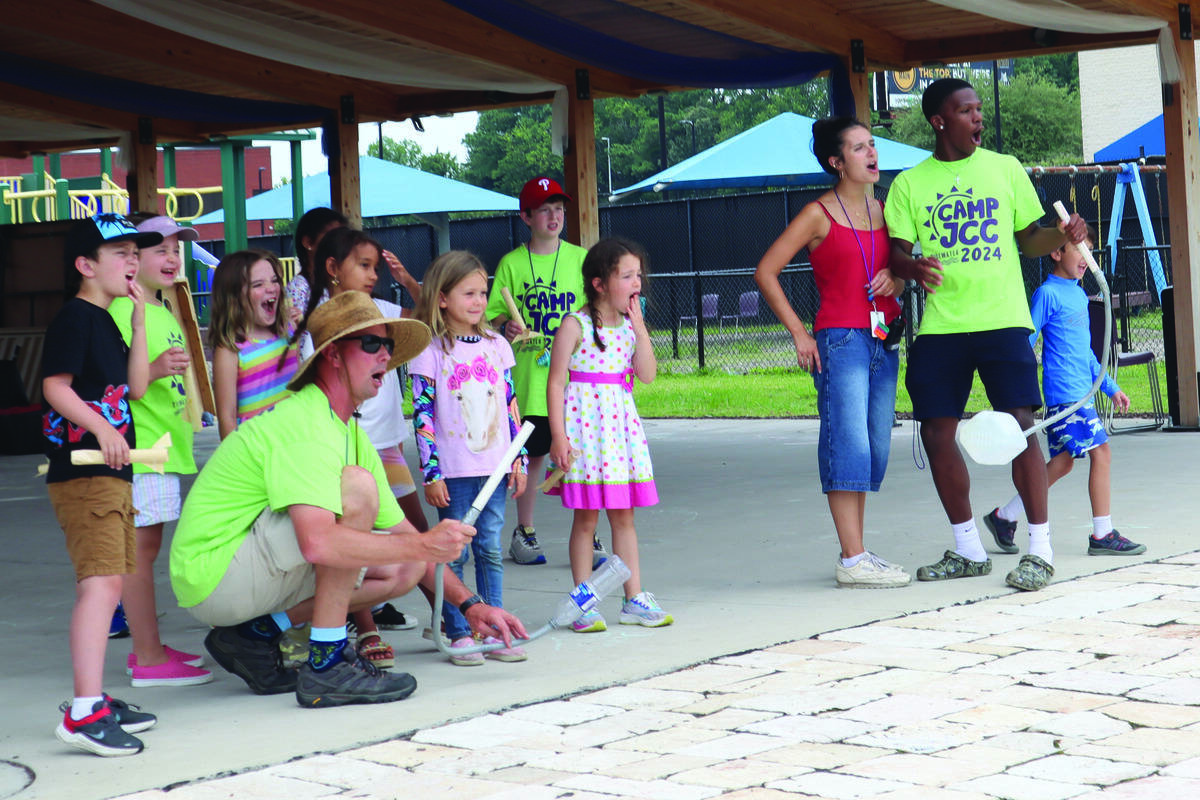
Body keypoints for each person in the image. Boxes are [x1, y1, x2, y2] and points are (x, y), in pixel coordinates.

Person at [169, 291, 528, 707]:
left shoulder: (350, 432)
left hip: (240, 576)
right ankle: (326, 663)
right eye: (372, 344)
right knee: (358, 491)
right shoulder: (304, 420)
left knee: (405, 568)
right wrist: (424, 544)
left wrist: (471, 606)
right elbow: (318, 544)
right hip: (211, 574)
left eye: (389, 347)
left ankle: (255, 635)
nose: (384, 357)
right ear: (334, 356)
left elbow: (408, 539)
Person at [884, 77, 1088, 592]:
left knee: (1020, 428)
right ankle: (968, 548)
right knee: (936, 432)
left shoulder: (1005, 168)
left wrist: (1062, 236)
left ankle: (1039, 551)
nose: (978, 118)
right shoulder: (911, 183)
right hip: (943, 327)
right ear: (939, 121)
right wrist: (913, 268)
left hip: (1002, 320)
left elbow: (1030, 240)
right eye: (966, 111)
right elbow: (895, 255)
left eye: (979, 109)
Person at [755, 117, 910, 589]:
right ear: (836, 162)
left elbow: (902, 269)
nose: (872, 154)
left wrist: (897, 279)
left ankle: (857, 553)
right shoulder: (818, 213)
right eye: (860, 148)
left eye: (873, 145)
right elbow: (766, 270)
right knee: (850, 443)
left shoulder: (886, 210)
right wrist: (800, 334)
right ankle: (853, 555)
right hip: (840, 340)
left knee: (876, 449)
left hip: (883, 338)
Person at [44, 213, 161, 756]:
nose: (132, 260)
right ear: (85, 265)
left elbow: (135, 387)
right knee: (101, 584)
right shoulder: (74, 317)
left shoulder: (109, 319)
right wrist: (99, 426)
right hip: (84, 472)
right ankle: (85, 710)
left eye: (134, 252)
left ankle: (93, 700)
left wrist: (139, 321)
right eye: (119, 253)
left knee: (109, 581)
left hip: (109, 473)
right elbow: (54, 387)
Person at [294, 228, 429, 668]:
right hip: (346, 446)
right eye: (363, 265)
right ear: (332, 270)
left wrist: (408, 280)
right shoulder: (317, 322)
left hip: (386, 444)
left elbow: (432, 312)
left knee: (413, 528)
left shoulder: (385, 309)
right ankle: (363, 628)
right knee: (354, 538)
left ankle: (453, 611)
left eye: (387, 346)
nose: (373, 275)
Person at [985, 226, 1146, 557]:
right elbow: (1027, 339)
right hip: (1065, 398)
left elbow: (1086, 352)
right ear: (1057, 253)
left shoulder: (1078, 295)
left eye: (1089, 251)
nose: (1087, 259)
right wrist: (1011, 380)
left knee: (1061, 463)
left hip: (1079, 395)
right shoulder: (1048, 294)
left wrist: (1110, 387)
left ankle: (1005, 517)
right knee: (1102, 453)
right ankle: (1102, 534)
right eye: (1080, 250)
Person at [107, 215, 212, 688]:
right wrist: (153, 367)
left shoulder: (162, 309)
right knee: (138, 554)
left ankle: (149, 647)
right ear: (132, 261)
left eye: (176, 249)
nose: (172, 259)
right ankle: (147, 658)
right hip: (141, 450)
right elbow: (117, 386)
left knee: (144, 551)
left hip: (163, 450)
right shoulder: (122, 312)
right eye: (160, 250)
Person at [410, 251, 529, 665]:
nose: (479, 302)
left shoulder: (498, 345)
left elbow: (511, 404)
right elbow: (422, 413)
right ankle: (459, 629)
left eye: (483, 293)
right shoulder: (431, 348)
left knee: (491, 549)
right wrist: (431, 472)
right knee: (455, 552)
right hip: (456, 471)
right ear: (442, 298)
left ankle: (494, 626)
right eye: (468, 293)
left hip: (495, 469)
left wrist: (520, 459)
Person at [547, 238, 671, 632]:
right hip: (585, 433)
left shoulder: (631, 328)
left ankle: (633, 598)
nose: (638, 283)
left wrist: (639, 326)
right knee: (585, 520)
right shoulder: (575, 324)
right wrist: (558, 437)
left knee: (624, 517)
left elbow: (648, 375)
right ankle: (583, 602)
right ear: (600, 283)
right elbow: (555, 383)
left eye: (639, 275)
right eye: (627, 276)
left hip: (619, 434)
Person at [486, 177, 601, 567]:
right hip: (530, 379)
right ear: (526, 216)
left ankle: (590, 531)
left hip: (573, 379)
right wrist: (506, 325)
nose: (554, 216)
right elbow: (488, 318)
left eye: (559, 208)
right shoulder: (512, 264)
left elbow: (595, 312)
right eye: (545, 209)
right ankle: (525, 531)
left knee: (578, 454)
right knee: (533, 456)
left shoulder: (581, 259)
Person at [209, 250, 299, 441]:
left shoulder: (289, 332)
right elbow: (227, 417)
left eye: (275, 280)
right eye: (258, 284)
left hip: (294, 443)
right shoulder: (230, 349)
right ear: (234, 297)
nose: (271, 288)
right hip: (255, 451)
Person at [286, 208, 346, 319]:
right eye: (332, 237)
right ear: (308, 242)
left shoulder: (337, 283)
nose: (339, 244)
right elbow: (300, 333)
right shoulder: (299, 288)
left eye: (344, 239)